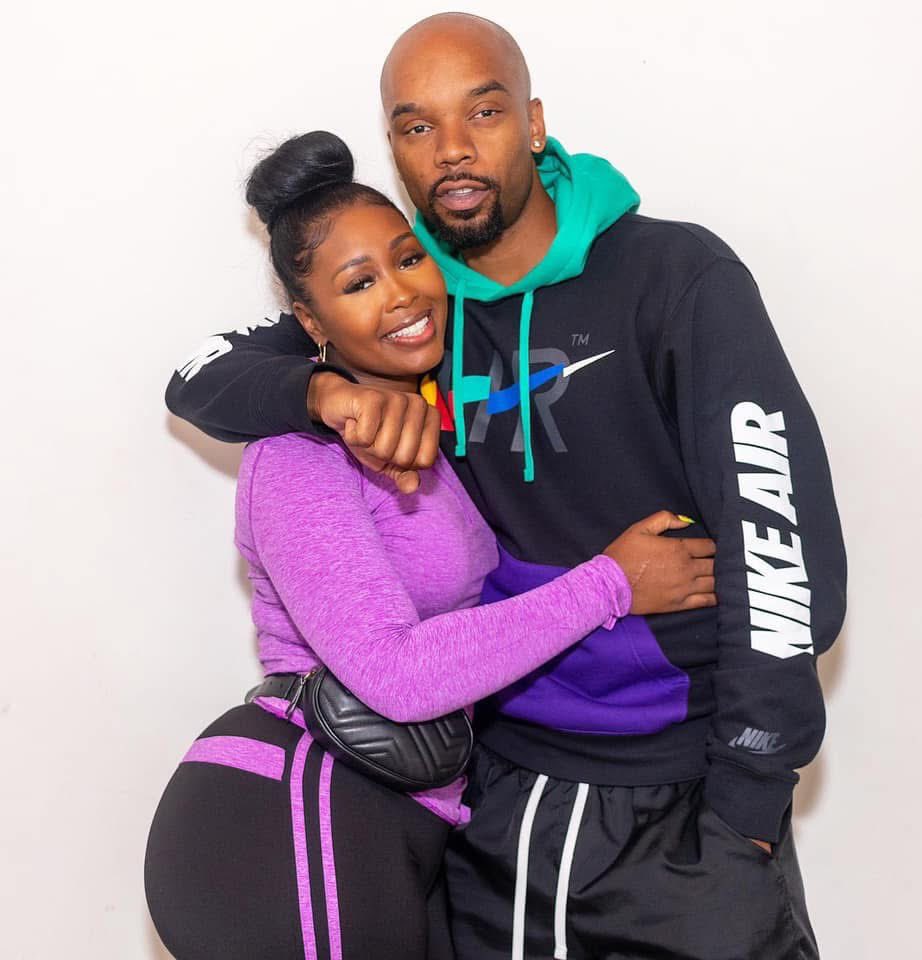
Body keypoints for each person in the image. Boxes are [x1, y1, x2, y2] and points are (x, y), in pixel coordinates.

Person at [165, 14, 847, 960]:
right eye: (417, 126)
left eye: (482, 112)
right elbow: (197, 377)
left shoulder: (675, 276)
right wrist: (324, 395)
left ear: (532, 123)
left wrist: (748, 808)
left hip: (686, 797)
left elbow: (783, 550)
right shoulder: (411, 307)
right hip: (493, 803)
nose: (451, 148)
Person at [145, 130, 717, 960]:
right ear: (310, 322)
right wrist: (610, 584)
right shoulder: (298, 455)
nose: (401, 294)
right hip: (292, 816)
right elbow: (397, 674)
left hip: (401, 817)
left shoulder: (433, 432)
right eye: (359, 283)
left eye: (409, 259)